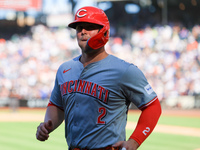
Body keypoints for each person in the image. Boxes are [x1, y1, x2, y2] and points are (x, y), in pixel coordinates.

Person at [36, 6, 161, 150]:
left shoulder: (124, 70)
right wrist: (47, 125)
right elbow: (57, 105)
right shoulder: (64, 69)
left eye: (89, 27)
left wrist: (135, 141)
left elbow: (152, 106)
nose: (83, 31)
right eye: (79, 27)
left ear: (104, 32)